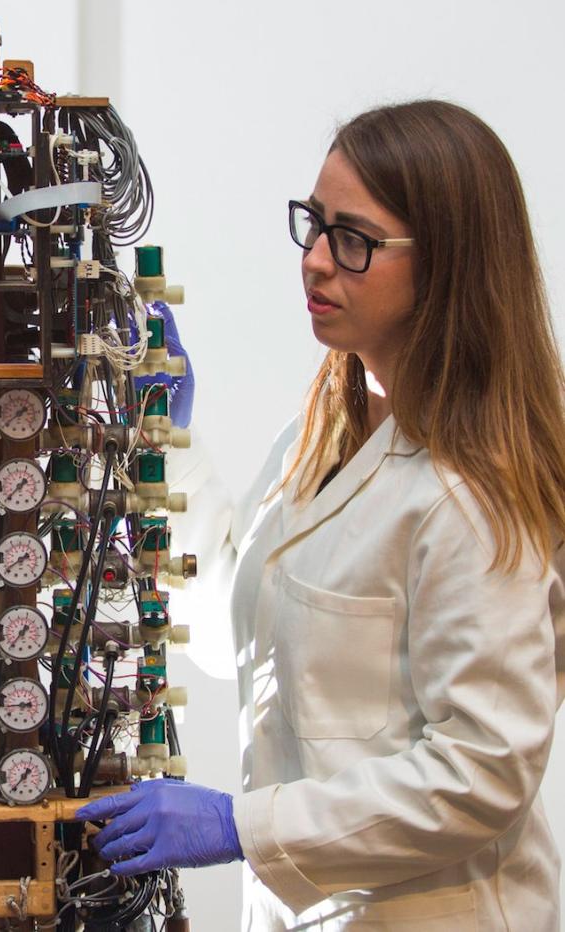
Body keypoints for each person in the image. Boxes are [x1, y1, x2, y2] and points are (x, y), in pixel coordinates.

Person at [77, 100, 565, 930]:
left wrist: (242, 826)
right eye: (313, 224)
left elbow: (482, 772)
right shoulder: (322, 438)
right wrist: (167, 442)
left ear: (446, 264)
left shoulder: (470, 495)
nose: (313, 262)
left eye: (354, 240)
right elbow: (254, 637)